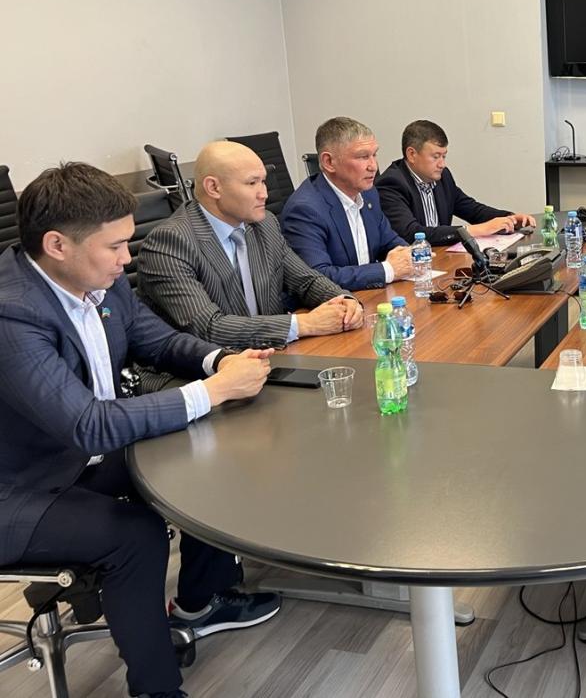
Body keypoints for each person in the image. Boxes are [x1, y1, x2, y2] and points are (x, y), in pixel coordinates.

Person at [0, 163, 281, 698]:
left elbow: (158, 340)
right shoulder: (12, 315)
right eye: (115, 247)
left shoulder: (95, 280)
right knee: (135, 535)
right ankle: (157, 689)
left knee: (205, 457)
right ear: (57, 245)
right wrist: (212, 392)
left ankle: (202, 601)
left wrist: (220, 360)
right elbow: (88, 425)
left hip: (73, 459)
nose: (127, 259)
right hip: (18, 486)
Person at [138, 141, 363, 353]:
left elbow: (306, 281)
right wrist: (305, 324)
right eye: (252, 183)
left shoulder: (264, 224)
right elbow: (208, 328)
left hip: (270, 356)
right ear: (213, 187)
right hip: (204, 371)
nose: (264, 193)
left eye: (263, 181)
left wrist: (345, 301)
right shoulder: (170, 243)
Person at [281, 117, 413, 289]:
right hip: (333, 303)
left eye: (374, 155)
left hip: (369, 296)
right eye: (363, 157)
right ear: (329, 162)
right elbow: (318, 278)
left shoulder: (369, 194)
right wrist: (387, 270)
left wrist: (410, 255)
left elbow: (389, 242)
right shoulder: (305, 209)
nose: (373, 166)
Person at [377, 119, 536, 246]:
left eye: (444, 156)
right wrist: (475, 230)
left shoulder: (442, 176)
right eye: (435, 156)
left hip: (442, 259)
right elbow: (411, 233)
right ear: (412, 154)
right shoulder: (391, 184)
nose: (442, 164)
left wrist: (510, 218)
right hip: (414, 266)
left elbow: (472, 209)